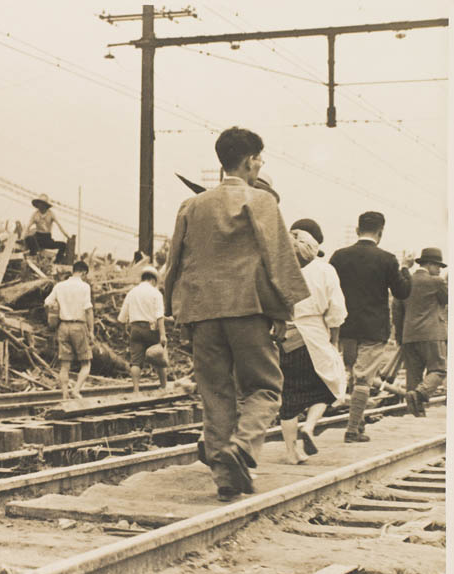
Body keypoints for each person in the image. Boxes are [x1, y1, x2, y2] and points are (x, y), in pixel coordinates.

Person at [164, 126, 309, 502]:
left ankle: (225, 476)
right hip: (248, 309)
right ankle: (243, 447)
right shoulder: (261, 202)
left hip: (201, 313)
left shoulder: (191, 205)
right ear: (249, 161)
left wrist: (175, 313)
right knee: (264, 387)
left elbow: (174, 263)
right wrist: (283, 311)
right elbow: (278, 260)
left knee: (215, 393)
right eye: (259, 158)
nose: (260, 165)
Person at [329, 211, 413, 442]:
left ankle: (360, 422)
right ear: (381, 233)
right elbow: (402, 292)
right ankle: (352, 429)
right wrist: (405, 268)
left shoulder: (338, 256)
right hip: (374, 329)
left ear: (357, 230)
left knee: (354, 376)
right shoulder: (387, 259)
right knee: (364, 379)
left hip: (345, 326)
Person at [279, 220, 347, 464]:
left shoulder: (280, 267)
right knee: (330, 385)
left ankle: (290, 452)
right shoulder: (325, 270)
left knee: (289, 396)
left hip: (284, 336)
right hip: (314, 335)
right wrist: (334, 341)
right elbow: (336, 311)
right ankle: (309, 425)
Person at [392, 247, 447, 417]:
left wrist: (400, 336)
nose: (439, 270)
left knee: (413, 375)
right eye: (438, 266)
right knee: (439, 370)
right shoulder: (436, 282)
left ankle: (416, 413)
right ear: (429, 264)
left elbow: (396, 311)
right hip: (432, 334)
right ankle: (420, 394)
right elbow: (446, 300)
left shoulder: (405, 282)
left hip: (409, 336)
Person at [44, 260, 95, 399]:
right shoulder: (85, 287)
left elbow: (47, 302)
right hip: (78, 326)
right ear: (84, 272)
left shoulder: (60, 286)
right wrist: (91, 331)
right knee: (86, 363)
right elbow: (89, 310)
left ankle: (65, 395)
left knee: (65, 365)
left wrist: (58, 309)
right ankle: (76, 390)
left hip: (63, 326)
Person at [118, 265, 168, 393]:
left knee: (135, 361)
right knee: (158, 358)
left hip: (135, 329)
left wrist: (127, 330)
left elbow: (122, 318)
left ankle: (136, 390)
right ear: (153, 280)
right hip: (151, 329)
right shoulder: (156, 293)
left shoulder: (132, 292)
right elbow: (159, 316)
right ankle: (163, 387)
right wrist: (162, 335)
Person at [23, 193, 69, 263]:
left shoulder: (50, 214)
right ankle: (34, 255)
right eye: (39, 203)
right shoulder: (35, 214)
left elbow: (59, 225)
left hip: (47, 239)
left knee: (63, 245)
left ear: (45, 205)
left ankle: (56, 261)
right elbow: (28, 226)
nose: (40, 205)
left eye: (42, 203)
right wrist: (23, 236)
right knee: (29, 238)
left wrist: (67, 235)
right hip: (38, 237)